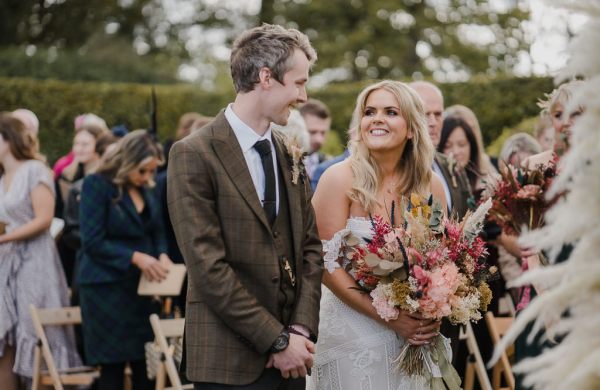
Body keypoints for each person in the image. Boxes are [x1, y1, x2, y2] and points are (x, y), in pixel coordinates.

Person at [167, 24, 323, 389]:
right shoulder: (193, 153)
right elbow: (208, 267)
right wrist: (277, 340)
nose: (303, 95)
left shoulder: (290, 151)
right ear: (266, 77)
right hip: (227, 362)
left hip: (292, 363)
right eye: (298, 83)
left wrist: (299, 330)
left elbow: (311, 248)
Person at [309, 80, 448, 389]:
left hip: (415, 335)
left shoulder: (431, 185)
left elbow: (443, 263)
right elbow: (323, 263)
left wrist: (433, 312)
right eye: (369, 112)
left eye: (390, 112)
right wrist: (388, 317)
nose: (377, 119)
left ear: (412, 128)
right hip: (352, 331)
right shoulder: (339, 178)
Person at [77, 129, 172, 390]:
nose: (148, 177)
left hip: (141, 288)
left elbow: (157, 230)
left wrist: (161, 253)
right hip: (105, 288)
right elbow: (92, 241)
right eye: (143, 171)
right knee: (113, 367)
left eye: (152, 171)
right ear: (127, 162)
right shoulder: (96, 185)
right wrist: (135, 257)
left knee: (146, 366)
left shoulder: (147, 187)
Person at [0, 113, 80, 389]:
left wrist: (4, 238)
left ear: (7, 139)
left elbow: (43, 219)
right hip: (5, 264)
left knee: (35, 335)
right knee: (6, 339)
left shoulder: (35, 170)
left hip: (34, 260)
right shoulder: (1, 177)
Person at [300, 99, 331, 180]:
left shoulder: (330, 165)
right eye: (312, 132)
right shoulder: (283, 163)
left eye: (323, 133)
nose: (319, 140)